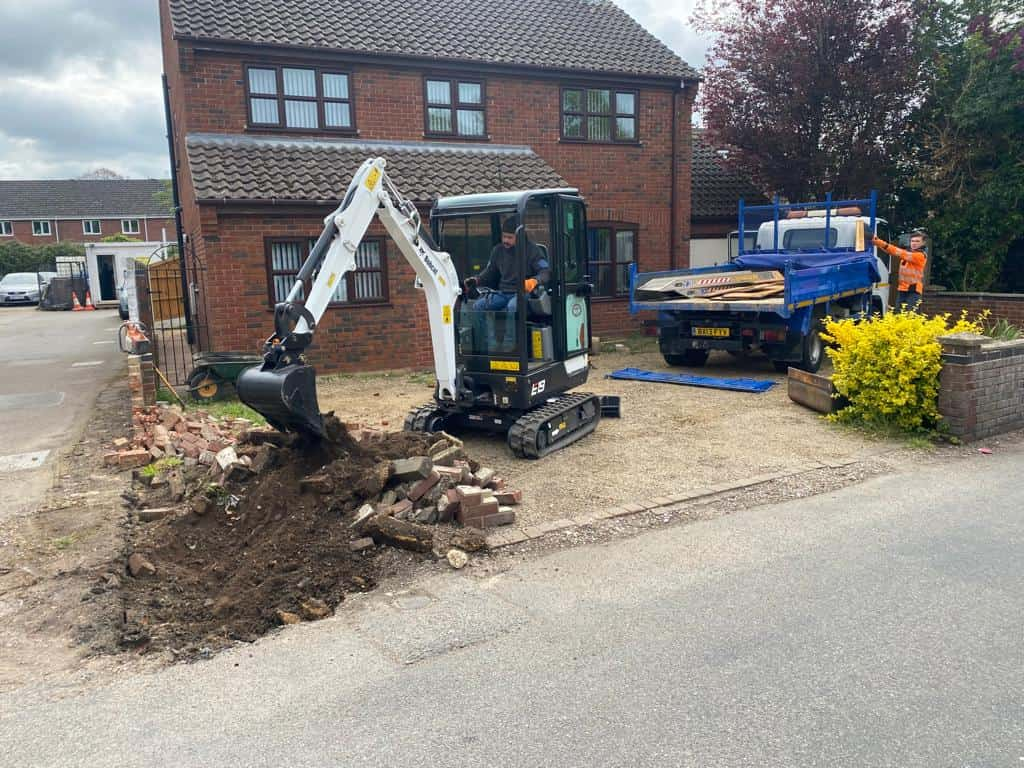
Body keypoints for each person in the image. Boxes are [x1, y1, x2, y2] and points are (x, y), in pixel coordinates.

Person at [463, 216, 550, 350]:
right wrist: (477, 279)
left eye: (510, 237)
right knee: (478, 306)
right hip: (503, 293)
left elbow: (545, 272)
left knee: (512, 307)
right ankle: (488, 346)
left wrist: (534, 281)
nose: (505, 241)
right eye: (504, 237)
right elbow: (490, 272)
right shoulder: (498, 251)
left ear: (519, 237)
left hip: (523, 293)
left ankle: (509, 347)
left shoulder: (532, 251)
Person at [873, 230, 928, 311]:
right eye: (912, 241)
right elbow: (891, 251)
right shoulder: (909, 252)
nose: (914, 243)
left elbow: (897, 251)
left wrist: (878, 241)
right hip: (903, 289)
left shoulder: (920, 255)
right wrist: (876, 241)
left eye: (917, 241)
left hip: (913, 290)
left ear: (923, 243)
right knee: (899, 314)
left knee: (910, 316)